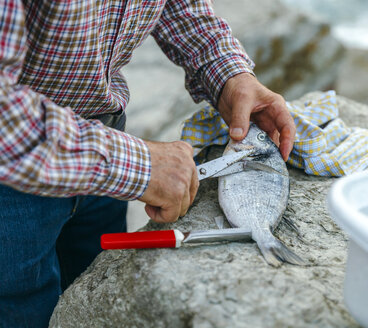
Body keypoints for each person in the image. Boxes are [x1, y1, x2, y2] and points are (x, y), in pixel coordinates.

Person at [0, 0, 295, 326]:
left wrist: (226, 70)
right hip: (11, 188)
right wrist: (138, 165)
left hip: (105, 145)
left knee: (94, 296)